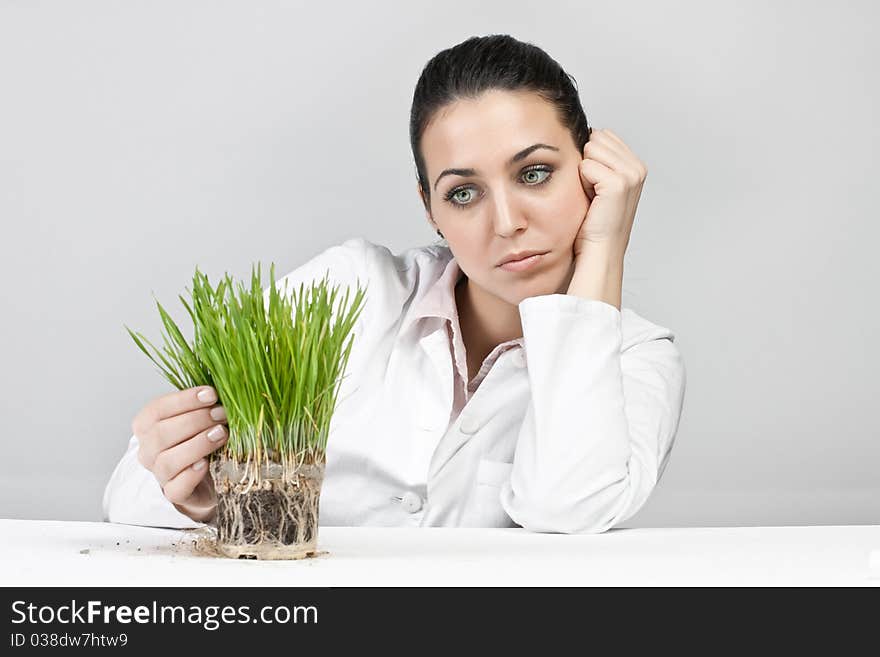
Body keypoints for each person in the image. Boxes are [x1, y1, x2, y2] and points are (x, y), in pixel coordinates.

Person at [103, 34, 686, 534]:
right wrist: (202, 496)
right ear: (430, 208)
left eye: (535, 174)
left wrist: (606, 248)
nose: (507, 222)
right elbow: (129, 490)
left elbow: (569, 510)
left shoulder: (636, 359)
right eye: (463, 192)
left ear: (591, 170)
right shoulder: (351, 290)